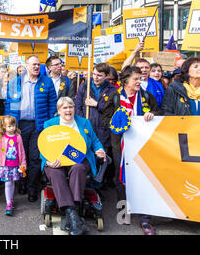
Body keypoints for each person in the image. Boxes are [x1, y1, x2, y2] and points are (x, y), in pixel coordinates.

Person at [102, 65, 161, 235]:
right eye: (136, 79)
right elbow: (105, 119)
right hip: (120, 145)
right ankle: (124, 211)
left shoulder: (147, 96)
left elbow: (158, 112)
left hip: (142, 145)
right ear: (126, 80)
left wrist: (152, 115)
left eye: (140, 78)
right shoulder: (114, 96)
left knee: (144, 178)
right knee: (121, 177)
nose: (139, 81)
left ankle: (145, 219)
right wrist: (117, 121)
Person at [41, 97, 106, 235]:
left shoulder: (83, 122)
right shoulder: (49, 124)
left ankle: (73, 208)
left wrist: (100, 150)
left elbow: (95, 141)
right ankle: (72, 214)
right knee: (55, 172)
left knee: (78, 168)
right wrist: (48, 161)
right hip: (57, 159)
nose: (68, 110)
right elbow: (43, 147)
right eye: (64, 108)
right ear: (59, 111)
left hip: (79, 158)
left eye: (70, 107)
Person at [5, 55, 58, 203]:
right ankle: (22, 183)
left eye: (38, 64)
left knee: (35, 158)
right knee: (21, 157)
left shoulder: (46, 82)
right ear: (26, 65)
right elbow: (10, 105)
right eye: (33, 64)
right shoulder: (15, 82)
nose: (36, 67)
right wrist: (9, 125)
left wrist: (48, 124)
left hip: (38, 125)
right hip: (20, 126)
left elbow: (52, 104)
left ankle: (32, 187)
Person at [74, 63, 117, 188]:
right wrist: (82, 122)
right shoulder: (84, 86)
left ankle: (97, 186)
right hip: (87, 127)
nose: (96, 77)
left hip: (103, 129)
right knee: (86, 156)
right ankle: (85, 186)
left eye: (100, 75)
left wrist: (97, 104)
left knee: (101, 157)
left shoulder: (112, 90)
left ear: (106, 76)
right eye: (94, 74)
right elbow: (78, 106)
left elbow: (112, 110)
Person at [0, 115, 26, 216]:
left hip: (15, 166)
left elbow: (22, 151)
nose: (12, 128)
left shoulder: (18, 137)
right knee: (8, 183)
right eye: (9, 126)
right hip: (5, 166)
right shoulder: (2, 138)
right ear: (4, 127)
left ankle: (10, 199)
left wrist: (23, 164)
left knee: (12, 183)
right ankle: (9, 203)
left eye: (13, 125)